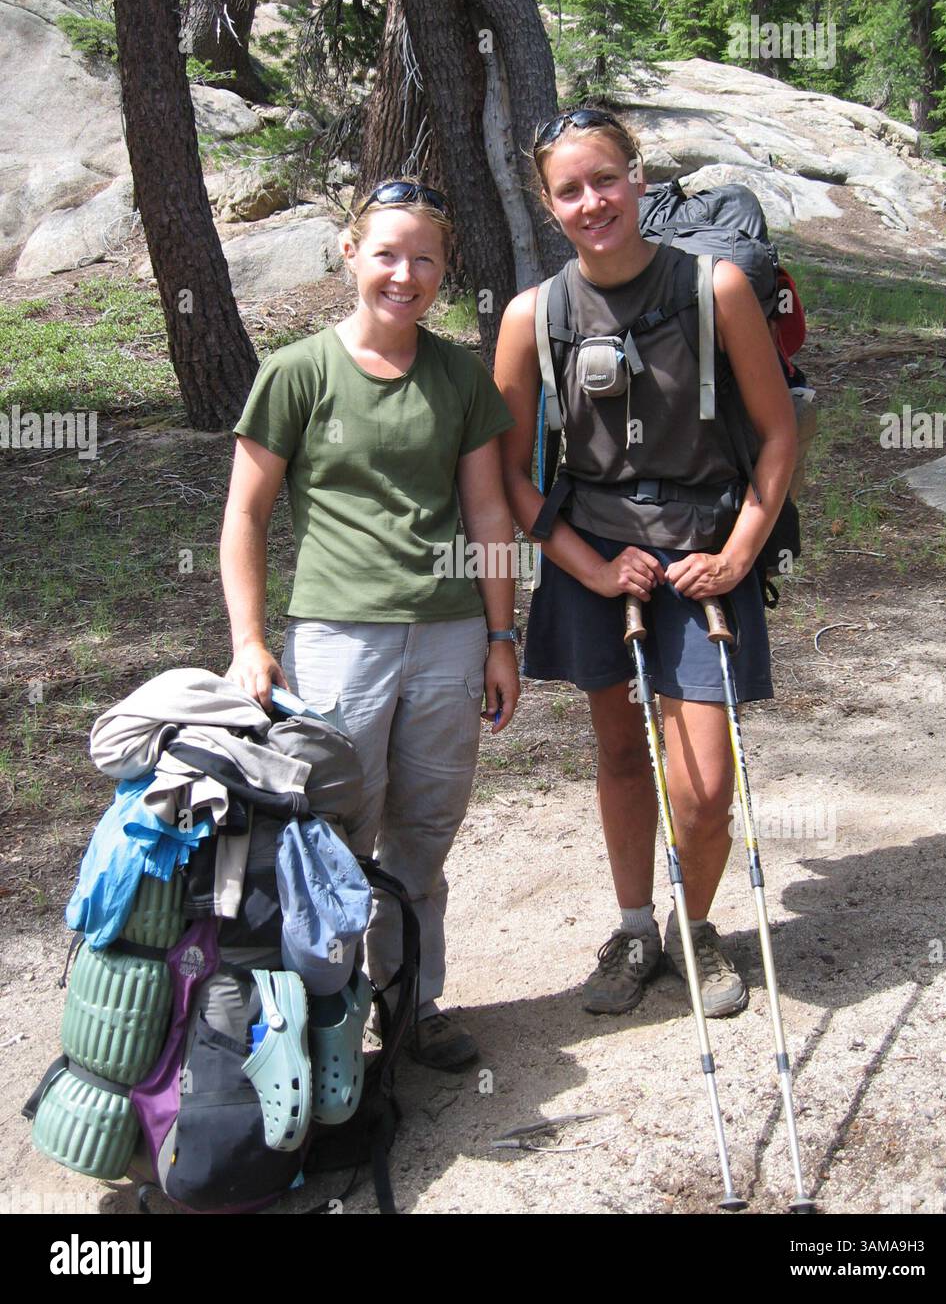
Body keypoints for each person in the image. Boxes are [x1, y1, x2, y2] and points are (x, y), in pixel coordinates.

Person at [494, 110, 796, 1019]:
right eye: (570, 190)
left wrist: (738, 551)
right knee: (622, 755)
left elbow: (778, 433)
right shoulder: (530, 315)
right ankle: (634, 930)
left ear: (637, 177)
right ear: (549, 208)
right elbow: (510, 471)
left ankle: (693, 928)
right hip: (598, 561)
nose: (593, 202)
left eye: (606, 180)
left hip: (706, 555)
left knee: (703, 784)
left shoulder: (716, 290)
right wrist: (584, 568)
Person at [220, 179, 520, 1069]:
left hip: (453, 635)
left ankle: (410, 1005)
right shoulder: (297, 372)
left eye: (424, 258)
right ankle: (323, 1018)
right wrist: (249, 639)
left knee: (425, 831)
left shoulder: (459, 375)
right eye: (386, 253)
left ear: (443, 269)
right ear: (349, 255)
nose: (405, 273)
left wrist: (503, 637)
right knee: (334, 832)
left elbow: (488, 515)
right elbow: (246, 514)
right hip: (339, 639)